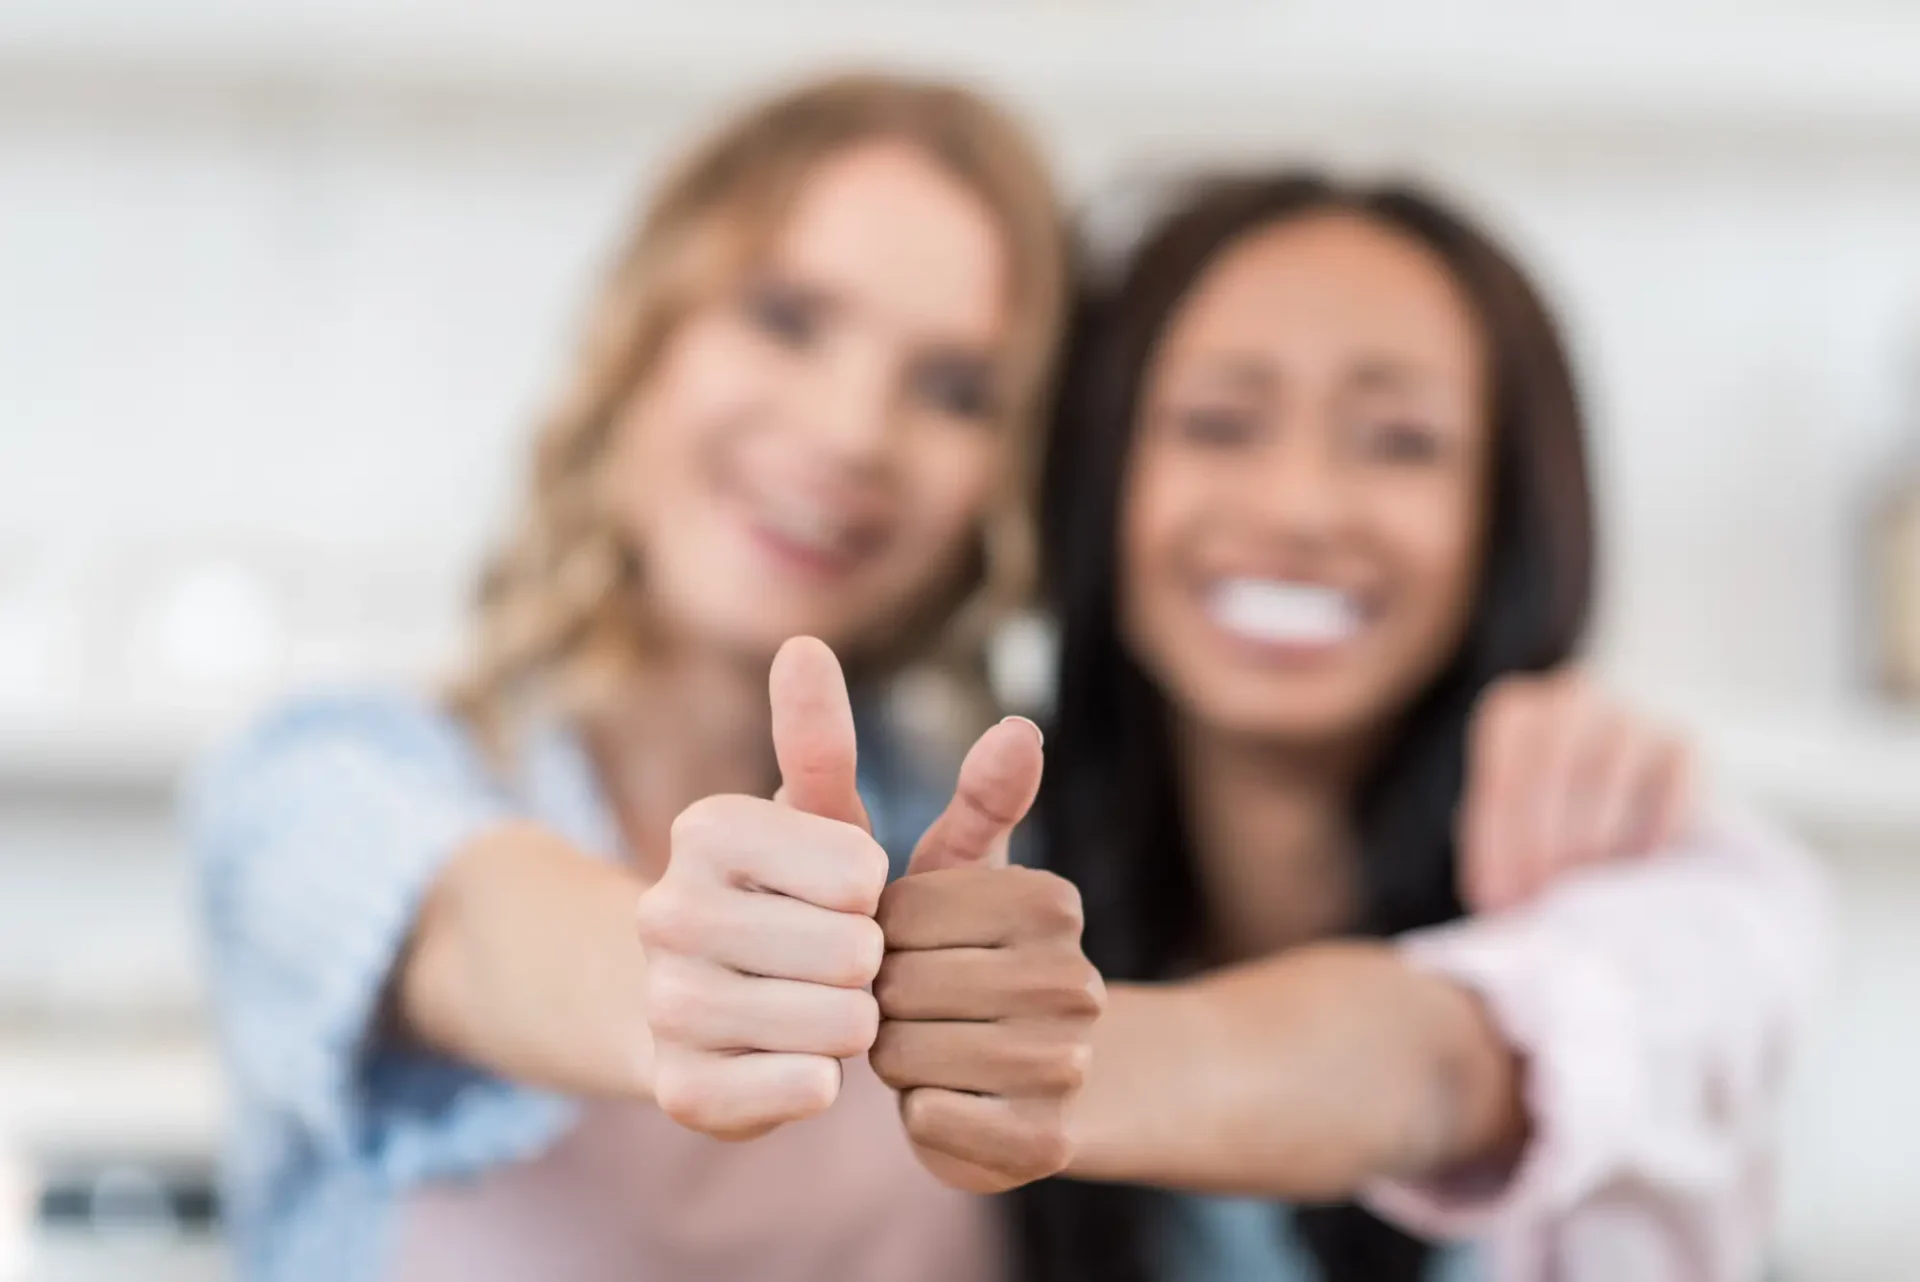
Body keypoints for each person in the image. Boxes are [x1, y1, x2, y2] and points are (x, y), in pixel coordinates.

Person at [190, 73, 1095, 1282]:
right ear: (645, 341)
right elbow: (473, 930)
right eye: (787, 317)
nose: (850, 432)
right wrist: (679, 974)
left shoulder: (993, 851)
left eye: (954, 391)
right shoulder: (325, 785)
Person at [1013, 172, 1828, 1282]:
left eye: (1398, 440)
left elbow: (1449, 1068)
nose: (1299, 508)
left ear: (1505, 517)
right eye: (1217, 422)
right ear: (1101, 480)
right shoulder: (986, 851)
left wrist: (1017, 1057)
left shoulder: (1678, 881)